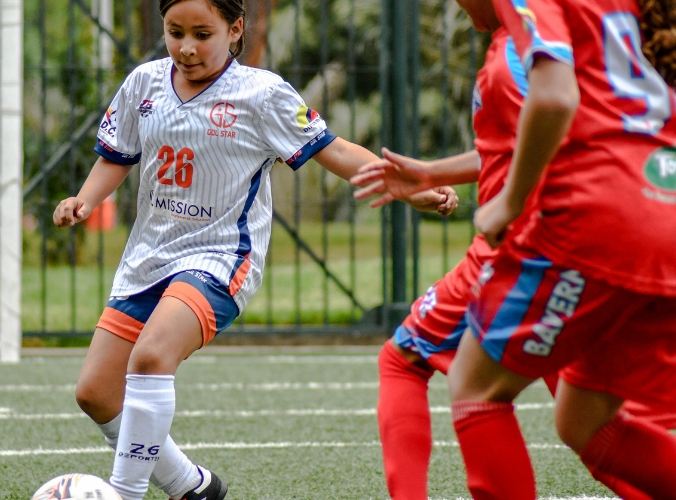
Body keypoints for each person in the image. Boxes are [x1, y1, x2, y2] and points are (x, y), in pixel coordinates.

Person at [52, 1, 457, 499]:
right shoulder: (144, 83)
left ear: (236, 28)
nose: (186, 46)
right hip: (148, 257)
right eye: (175, 32)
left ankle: (125, 493)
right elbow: (118, 154)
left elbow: (336, 150)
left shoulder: (262, 94)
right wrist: (85, 199)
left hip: (220, 257)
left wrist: (411, 186)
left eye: (203, 33)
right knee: (94, 393)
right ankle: (191, 486)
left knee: (153, 356)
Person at [351, 5, 676, 497]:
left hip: (573, 226)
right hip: (655, 209)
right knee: (584, 422)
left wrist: (509, 202)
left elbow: (554, 101)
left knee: (472, 387)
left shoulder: (529, 29)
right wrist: (436, 173)